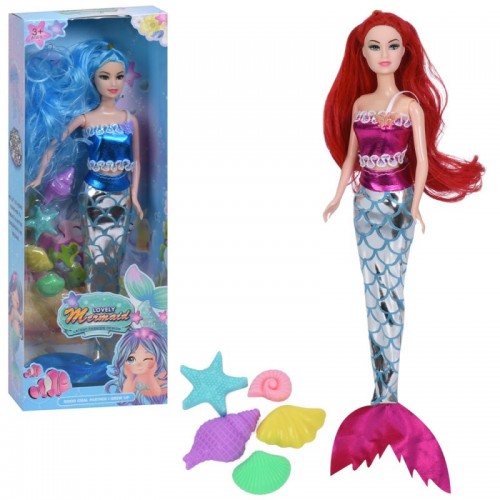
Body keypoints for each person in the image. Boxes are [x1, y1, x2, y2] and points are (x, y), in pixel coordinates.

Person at [322, 11, 483, 492]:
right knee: (372, 293)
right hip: (363, 207)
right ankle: (380, 396)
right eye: (374, 46)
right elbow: (351, 157)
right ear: (362, 53)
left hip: (395, 208)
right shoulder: (359, 103)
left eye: (392, 45)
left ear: (405, 51)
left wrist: (415, 206)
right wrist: (337, 196)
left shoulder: (410, 104)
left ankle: (389, 396)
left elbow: (422, 159)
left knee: (392, 293)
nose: (384, 54)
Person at [26, 40, 143, 293]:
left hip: (122, 192)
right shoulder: (86, 119)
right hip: (94, 191)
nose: (113, 83)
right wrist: (38, 176)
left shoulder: (129, 119)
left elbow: (137, 161)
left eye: (119, 76)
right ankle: (93, 293)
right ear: (93, 79)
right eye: (105, 76)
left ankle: (112, 294)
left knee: (116, 243)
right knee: (94, 243)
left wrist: (134, 196)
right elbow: (53, 145)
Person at [105, 327, 168, 405]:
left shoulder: (162, 378)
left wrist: (150, 375)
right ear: (123, 359)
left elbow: (157, 397)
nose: (139, 364)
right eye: (131, 359)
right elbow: (125, 398)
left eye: (147, 358)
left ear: (159, 358)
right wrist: (129, 377)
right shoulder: (127, 379)